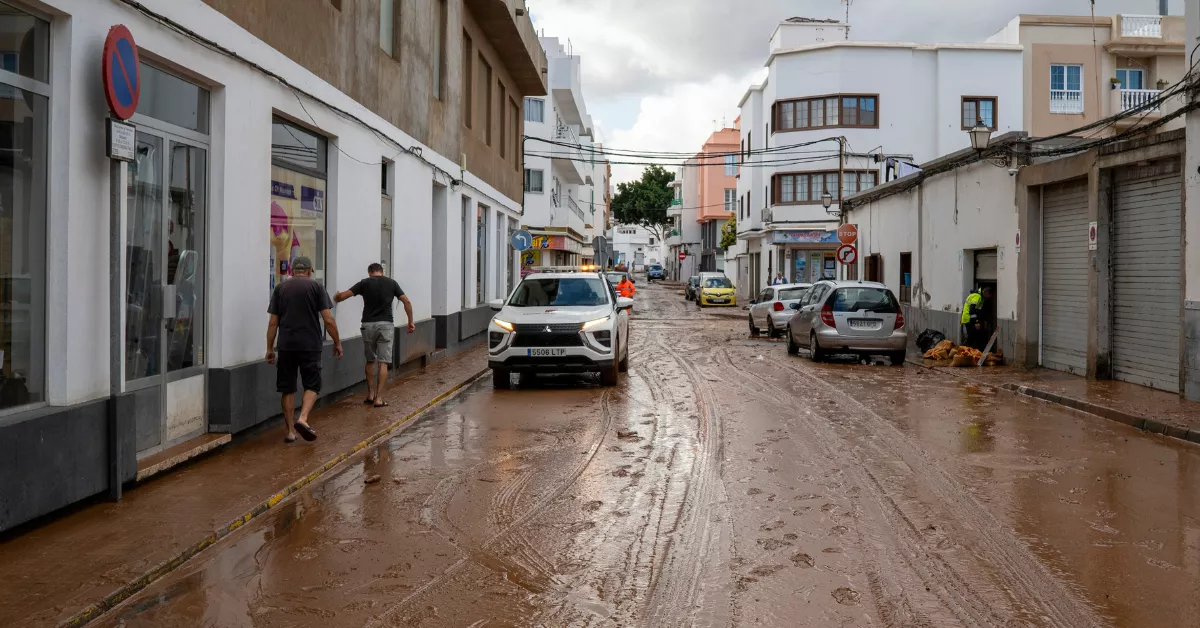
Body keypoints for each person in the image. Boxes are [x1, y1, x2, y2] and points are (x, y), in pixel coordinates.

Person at [267, 256, 342, 444]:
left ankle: (291, 432)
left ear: (292, 271)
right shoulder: (316, 287)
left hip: (286, 345)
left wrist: (269, 348)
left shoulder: (280, 289)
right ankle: (303, 418)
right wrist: (337, 342)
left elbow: (273, 322)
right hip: (310, 345)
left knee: (287, 388)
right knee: (312, 384)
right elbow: (328, 320)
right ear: (309, 271)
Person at [334, 263, 414, 408]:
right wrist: (410, 322)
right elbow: (406, 301)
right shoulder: (391, 283)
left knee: (370, 360)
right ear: (381, 272)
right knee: (383, 362)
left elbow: (343, 296)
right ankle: (379, 398)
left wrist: (336, 296)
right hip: (386, 325)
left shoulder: (364, 283)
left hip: (368, 325)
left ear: (369, 272)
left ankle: (370, 395)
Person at [960, 286, 995, 350]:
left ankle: (970, 352)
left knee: (974, 336)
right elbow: (972, 310)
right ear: (986, 293)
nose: (989, 298)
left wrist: (981, 320)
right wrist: (976, 322)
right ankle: (964, 352)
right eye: (989, 296)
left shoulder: (981, 298)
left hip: (970, 319)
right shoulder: (977, 296)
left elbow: (978, 312)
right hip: (968, 319)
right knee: (971, 337)